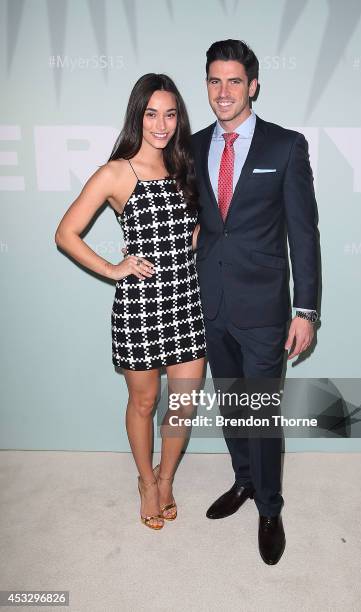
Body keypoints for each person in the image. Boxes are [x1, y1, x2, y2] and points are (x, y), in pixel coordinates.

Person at [55, 73, 206, 531]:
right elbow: (66, 234)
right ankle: (145, 481)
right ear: (137, 116)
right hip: (141, 307)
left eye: (170, 113)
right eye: (151, 113)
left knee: (181, 403)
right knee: (143, 403)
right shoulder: (117, 172)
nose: (161, 123)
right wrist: (113, 268)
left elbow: (196, 230)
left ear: (179, 119)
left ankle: (167, 478)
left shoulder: (185, 165)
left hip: (186, 301)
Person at [192, 40, 320, 564]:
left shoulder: (285, 146)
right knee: (231, 404)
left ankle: (270, 507)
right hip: (209, 303)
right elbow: (196, 221)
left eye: (235, 82)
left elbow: (303, 233)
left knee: (262, 414)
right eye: (215, 81)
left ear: (254, 86)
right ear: (208, 85)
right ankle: (243, 481)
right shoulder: (193, 144)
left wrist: (306, 311)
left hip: (266, 310)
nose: (224, 92)